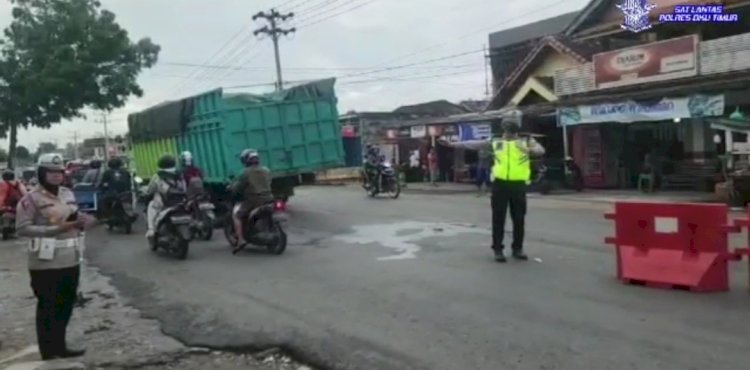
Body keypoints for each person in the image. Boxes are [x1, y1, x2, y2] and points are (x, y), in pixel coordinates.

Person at [15, 153, 95, 360]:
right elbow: (22, 229)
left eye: (59, 172)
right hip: (45, 262)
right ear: (42, 173)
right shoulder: (30, 199)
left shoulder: (67, 194)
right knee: (48, 306)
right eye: (51, 172)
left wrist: (82, 220)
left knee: (66, 304)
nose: (57, 176)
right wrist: (55, 229)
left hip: (70, 257)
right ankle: (48, 351)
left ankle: (60, 346)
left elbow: (73, 216)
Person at [490, 117, 545, 263]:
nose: (510, 133)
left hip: (518, 184)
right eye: (508, 130)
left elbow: (540, 150)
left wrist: (528, 149)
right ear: (504, 129)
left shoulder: (526, 140)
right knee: (498, 219)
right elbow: (473, 145)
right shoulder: (495, 141)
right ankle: (497, 249)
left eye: (512, 130)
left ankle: (517, 248)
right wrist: (452, 144)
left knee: (519, 219)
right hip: (499, 184)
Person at [231, 149, 273, 246]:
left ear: (245, 160)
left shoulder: (245, 173)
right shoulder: (266, 170)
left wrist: (233, 189)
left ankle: (241, 240)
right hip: (269, 199)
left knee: (237, 215)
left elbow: (238, 188)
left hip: (253, 201)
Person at [145, 155, 187, 240]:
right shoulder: (179, 174)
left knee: (151, 206)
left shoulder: (158, 176)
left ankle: (151, 230)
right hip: (181, 202)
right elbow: (184, 188)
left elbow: (150, 190)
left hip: (165, 203)